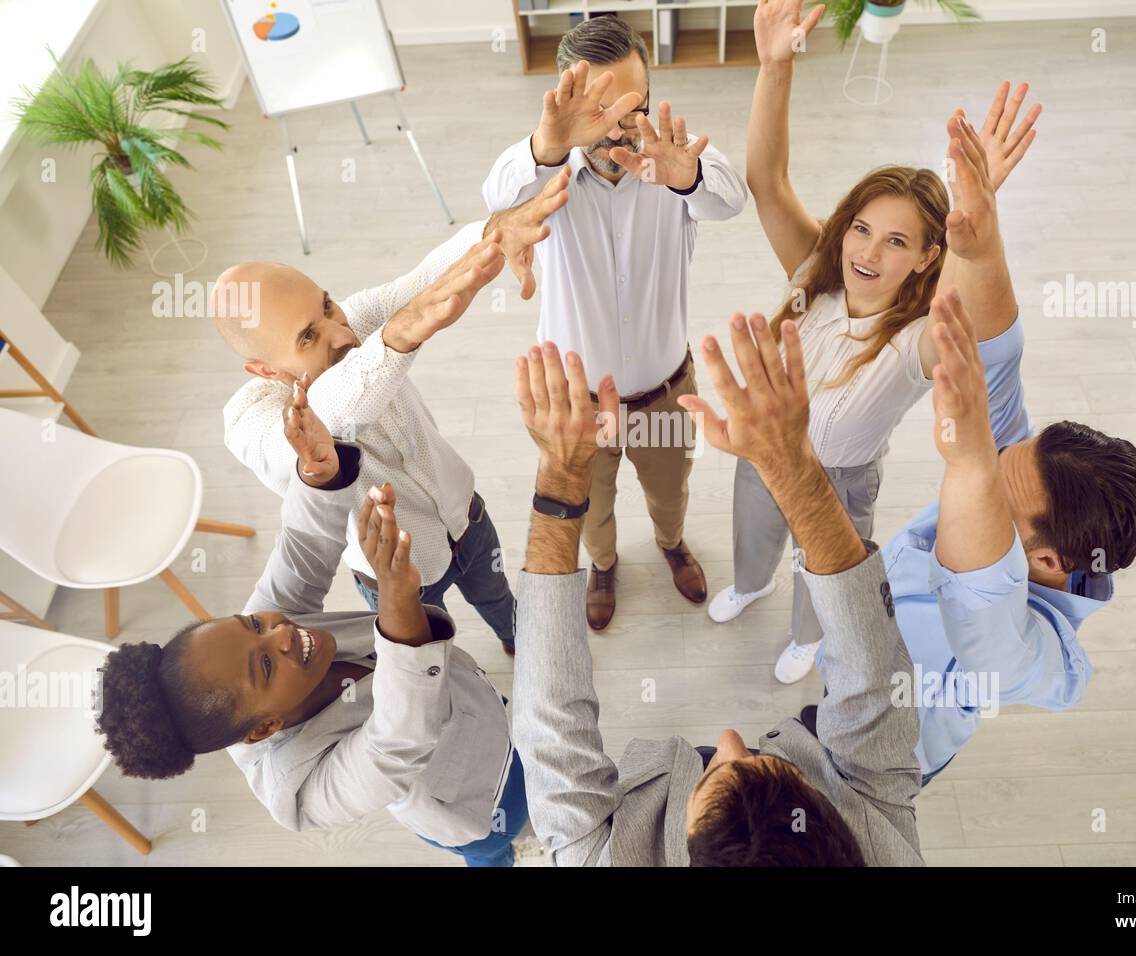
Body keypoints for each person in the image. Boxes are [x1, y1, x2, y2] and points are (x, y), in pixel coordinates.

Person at [507, 319, 923, 866]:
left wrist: (561, 476)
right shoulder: (886, 849)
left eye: (715, 775)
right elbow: (872, 681)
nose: (728, 738)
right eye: (779, 766)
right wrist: (792, 467)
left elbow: (549, 725)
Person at [710, 0, 1043, 683]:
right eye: (863, 228)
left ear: (927, 257)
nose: (870, 251)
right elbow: (767, 182)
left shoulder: (916, 341)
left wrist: (977, 219)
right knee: (755, 534)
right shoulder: (814, 278)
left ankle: (808, 633)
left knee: (823, 566)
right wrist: (774, 67)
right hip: (765, 447)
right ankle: (750, 582)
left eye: (898, 242)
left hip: (840, 481)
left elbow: (962, 304)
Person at [94, 377, 528, 866]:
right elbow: (397, 745)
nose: (280, 633)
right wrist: (397, 603)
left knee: (520, 735)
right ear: (264, 729)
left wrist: (320, 473)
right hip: (474, 799)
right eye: (264, 666)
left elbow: (301, 552)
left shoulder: (267, 629)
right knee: (497, 845)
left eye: (252, 624)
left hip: (485, 711)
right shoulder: (296, 790)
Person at [798, 286, 1136, 786]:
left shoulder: (1040, 661)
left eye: (991, 493)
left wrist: (970, 464)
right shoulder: (1014, 476)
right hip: (843, 675)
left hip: (876, 764)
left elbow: (983, 609)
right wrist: (977, 229)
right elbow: (997, 357)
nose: (979, 477)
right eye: (991, 463)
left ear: (1049, 562)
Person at [214, 170, 571, 656]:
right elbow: (312, 430)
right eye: (307, 337)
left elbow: (423, 280)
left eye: (327, 308)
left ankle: (515, 638)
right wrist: (397, 337)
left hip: (466, 518)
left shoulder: (355, 320)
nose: (340, 335)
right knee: (433, 659)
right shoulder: (249, 420)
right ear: (262, 368)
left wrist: (493, 233)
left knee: (499, 601)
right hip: (400, 576)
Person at [482, 15, 749, 631]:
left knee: (669, 491)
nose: (622, 126)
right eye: (602, 109)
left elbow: (731, 199)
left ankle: (670, 542)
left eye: (637, 105)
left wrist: (686, 176)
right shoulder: (542, 174)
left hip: (665, 391)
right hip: (580, 405)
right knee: (590, 507)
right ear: (567, 106)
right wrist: (546, 148)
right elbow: (496, 192)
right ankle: (603, 564)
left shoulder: (673, 163)